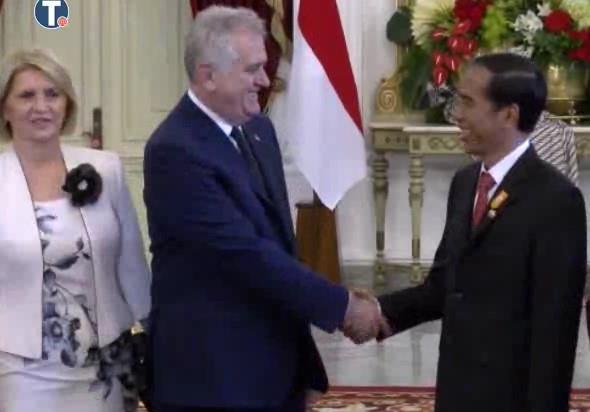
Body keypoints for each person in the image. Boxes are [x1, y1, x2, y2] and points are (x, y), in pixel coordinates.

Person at [143, 5, 383, 412]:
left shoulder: (258, 129)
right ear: (208, 75)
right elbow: (245, 255)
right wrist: (342, 307)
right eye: (252, 69)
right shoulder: (174, 150)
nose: (265, 80)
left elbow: (279, 249)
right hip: (212, 375)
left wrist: (306, 367)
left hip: (274, 366)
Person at [375, 53, 587, 412]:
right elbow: (444, 286)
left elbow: (555, 333)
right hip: (457, 392)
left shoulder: (556, 200)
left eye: (468, 102)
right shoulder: (465, 183)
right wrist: (377, 312)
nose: (457, 114)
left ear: (509, 114)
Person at [0, 48, 151, 412]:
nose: (42, 106)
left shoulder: (106, 169)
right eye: (26, 95)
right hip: (21, 368)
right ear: (5, 109)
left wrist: (155, 331)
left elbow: (131, 264)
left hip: (105, 365)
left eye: (52, 94)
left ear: (67, 103)